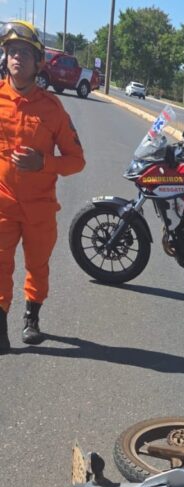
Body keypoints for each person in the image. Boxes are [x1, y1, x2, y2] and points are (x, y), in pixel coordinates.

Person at [0, 21, 85, 352]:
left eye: (24, 52)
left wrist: (44, 163)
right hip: (2, 205)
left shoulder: (53, 109)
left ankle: (31, 318)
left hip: (39, 209)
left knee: (37, 266)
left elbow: (77, 160)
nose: (16, 57)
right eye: (11, 51)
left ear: (38, 63)